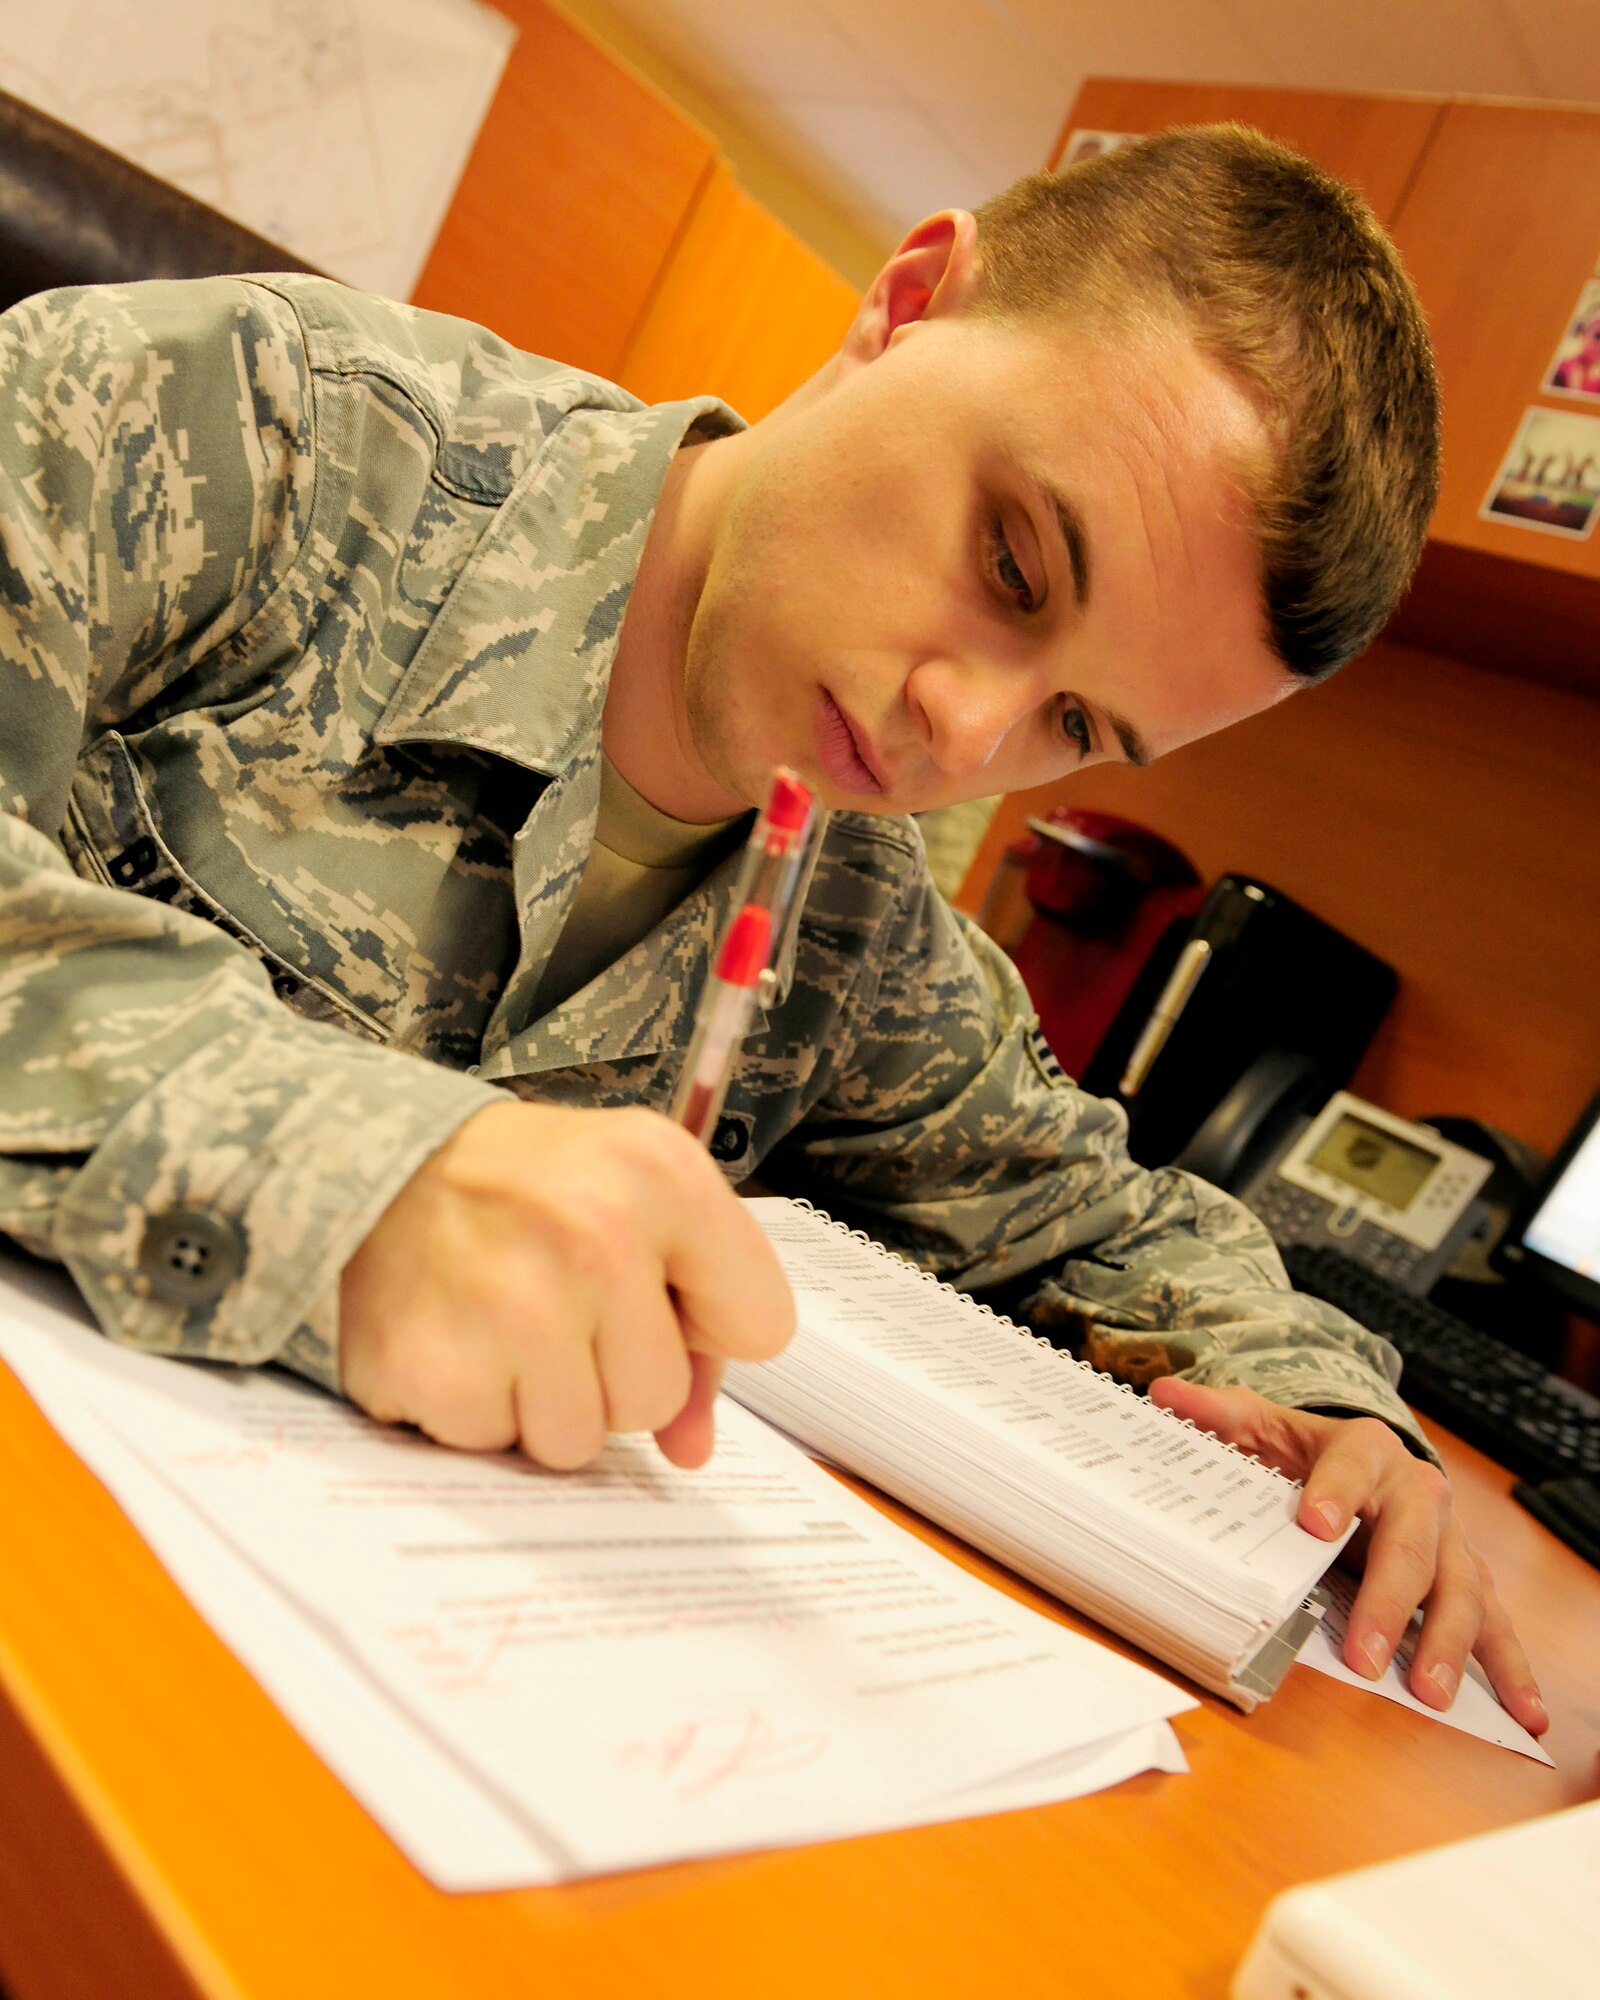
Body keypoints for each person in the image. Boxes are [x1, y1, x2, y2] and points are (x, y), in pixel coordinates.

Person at [0, 126, 1546, 1735]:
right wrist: (357, 1179)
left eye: (1076, 722)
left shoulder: (860, 938)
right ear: (915, 297)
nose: (961, 731)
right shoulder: (255, 435)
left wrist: (1329, 1407)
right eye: (1011, 562)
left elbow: (1108, 1216)